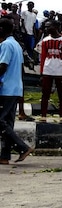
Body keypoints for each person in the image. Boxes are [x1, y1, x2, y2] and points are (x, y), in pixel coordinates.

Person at [0, 18, 34, 164]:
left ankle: (22, 147)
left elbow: (2, 66)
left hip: (6, 88)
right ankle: (4, 156)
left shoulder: (6, 44)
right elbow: (20, 68)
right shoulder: (17, 45)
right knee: (7, 122)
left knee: (0, 121)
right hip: (15, 88)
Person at [39, 20, 62, 123]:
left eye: (48, 26)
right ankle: (43, 115)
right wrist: (41, 73)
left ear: (56, 27)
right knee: (45, 94)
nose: (46, 28)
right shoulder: (45, 40)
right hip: (47, 70)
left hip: (60, 71)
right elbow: (43, 57)